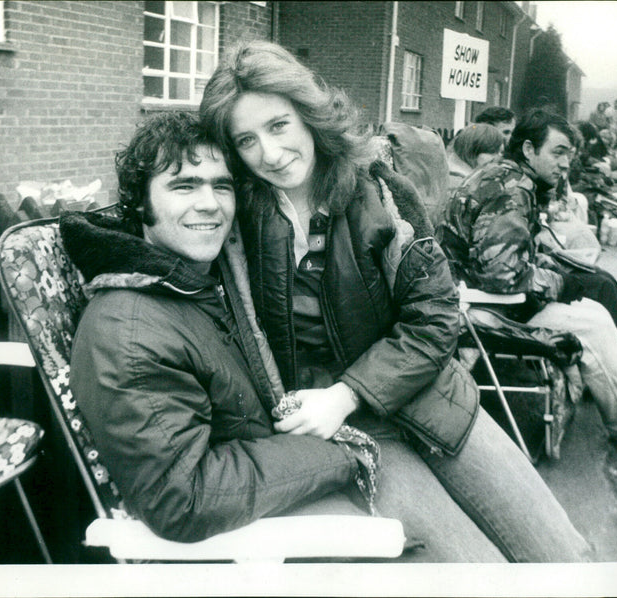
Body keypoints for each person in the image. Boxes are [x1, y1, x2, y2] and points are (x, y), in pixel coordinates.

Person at [200, 40, 591, 563]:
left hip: (436, 405)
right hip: (359, 441)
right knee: (479, 575)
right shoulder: (234, 224)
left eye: (278, 126)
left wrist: (346, 393)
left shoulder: (384, 197)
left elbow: (435, 319)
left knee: (563, 557)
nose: (269, 154)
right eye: (246, 140)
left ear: (310, 115)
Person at [63, 111, 510, 562]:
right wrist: (339, 455)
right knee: (478, 568)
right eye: (184, 186)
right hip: (279, 524)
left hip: (299, 475)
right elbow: (184, 497)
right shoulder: (128, 331)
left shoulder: (200, 282)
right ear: (140, 204)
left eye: (221, 186)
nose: (210, 204)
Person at [437, 109, 617, 453]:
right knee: (591, 322)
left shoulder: (509, 179)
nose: (565, 164)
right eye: (557, 152)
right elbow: (502, 275)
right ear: (528, 150)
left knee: (595, 316)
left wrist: (551, 268)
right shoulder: (511, 189)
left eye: (569, 155)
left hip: (478, 296)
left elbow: (504, 256)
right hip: (478, 309)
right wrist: (558, 283)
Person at [446, 123, 505, 192]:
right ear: (472, 150)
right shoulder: (457, 182)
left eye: (501, 152)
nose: (498, 158)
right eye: (492, 152)